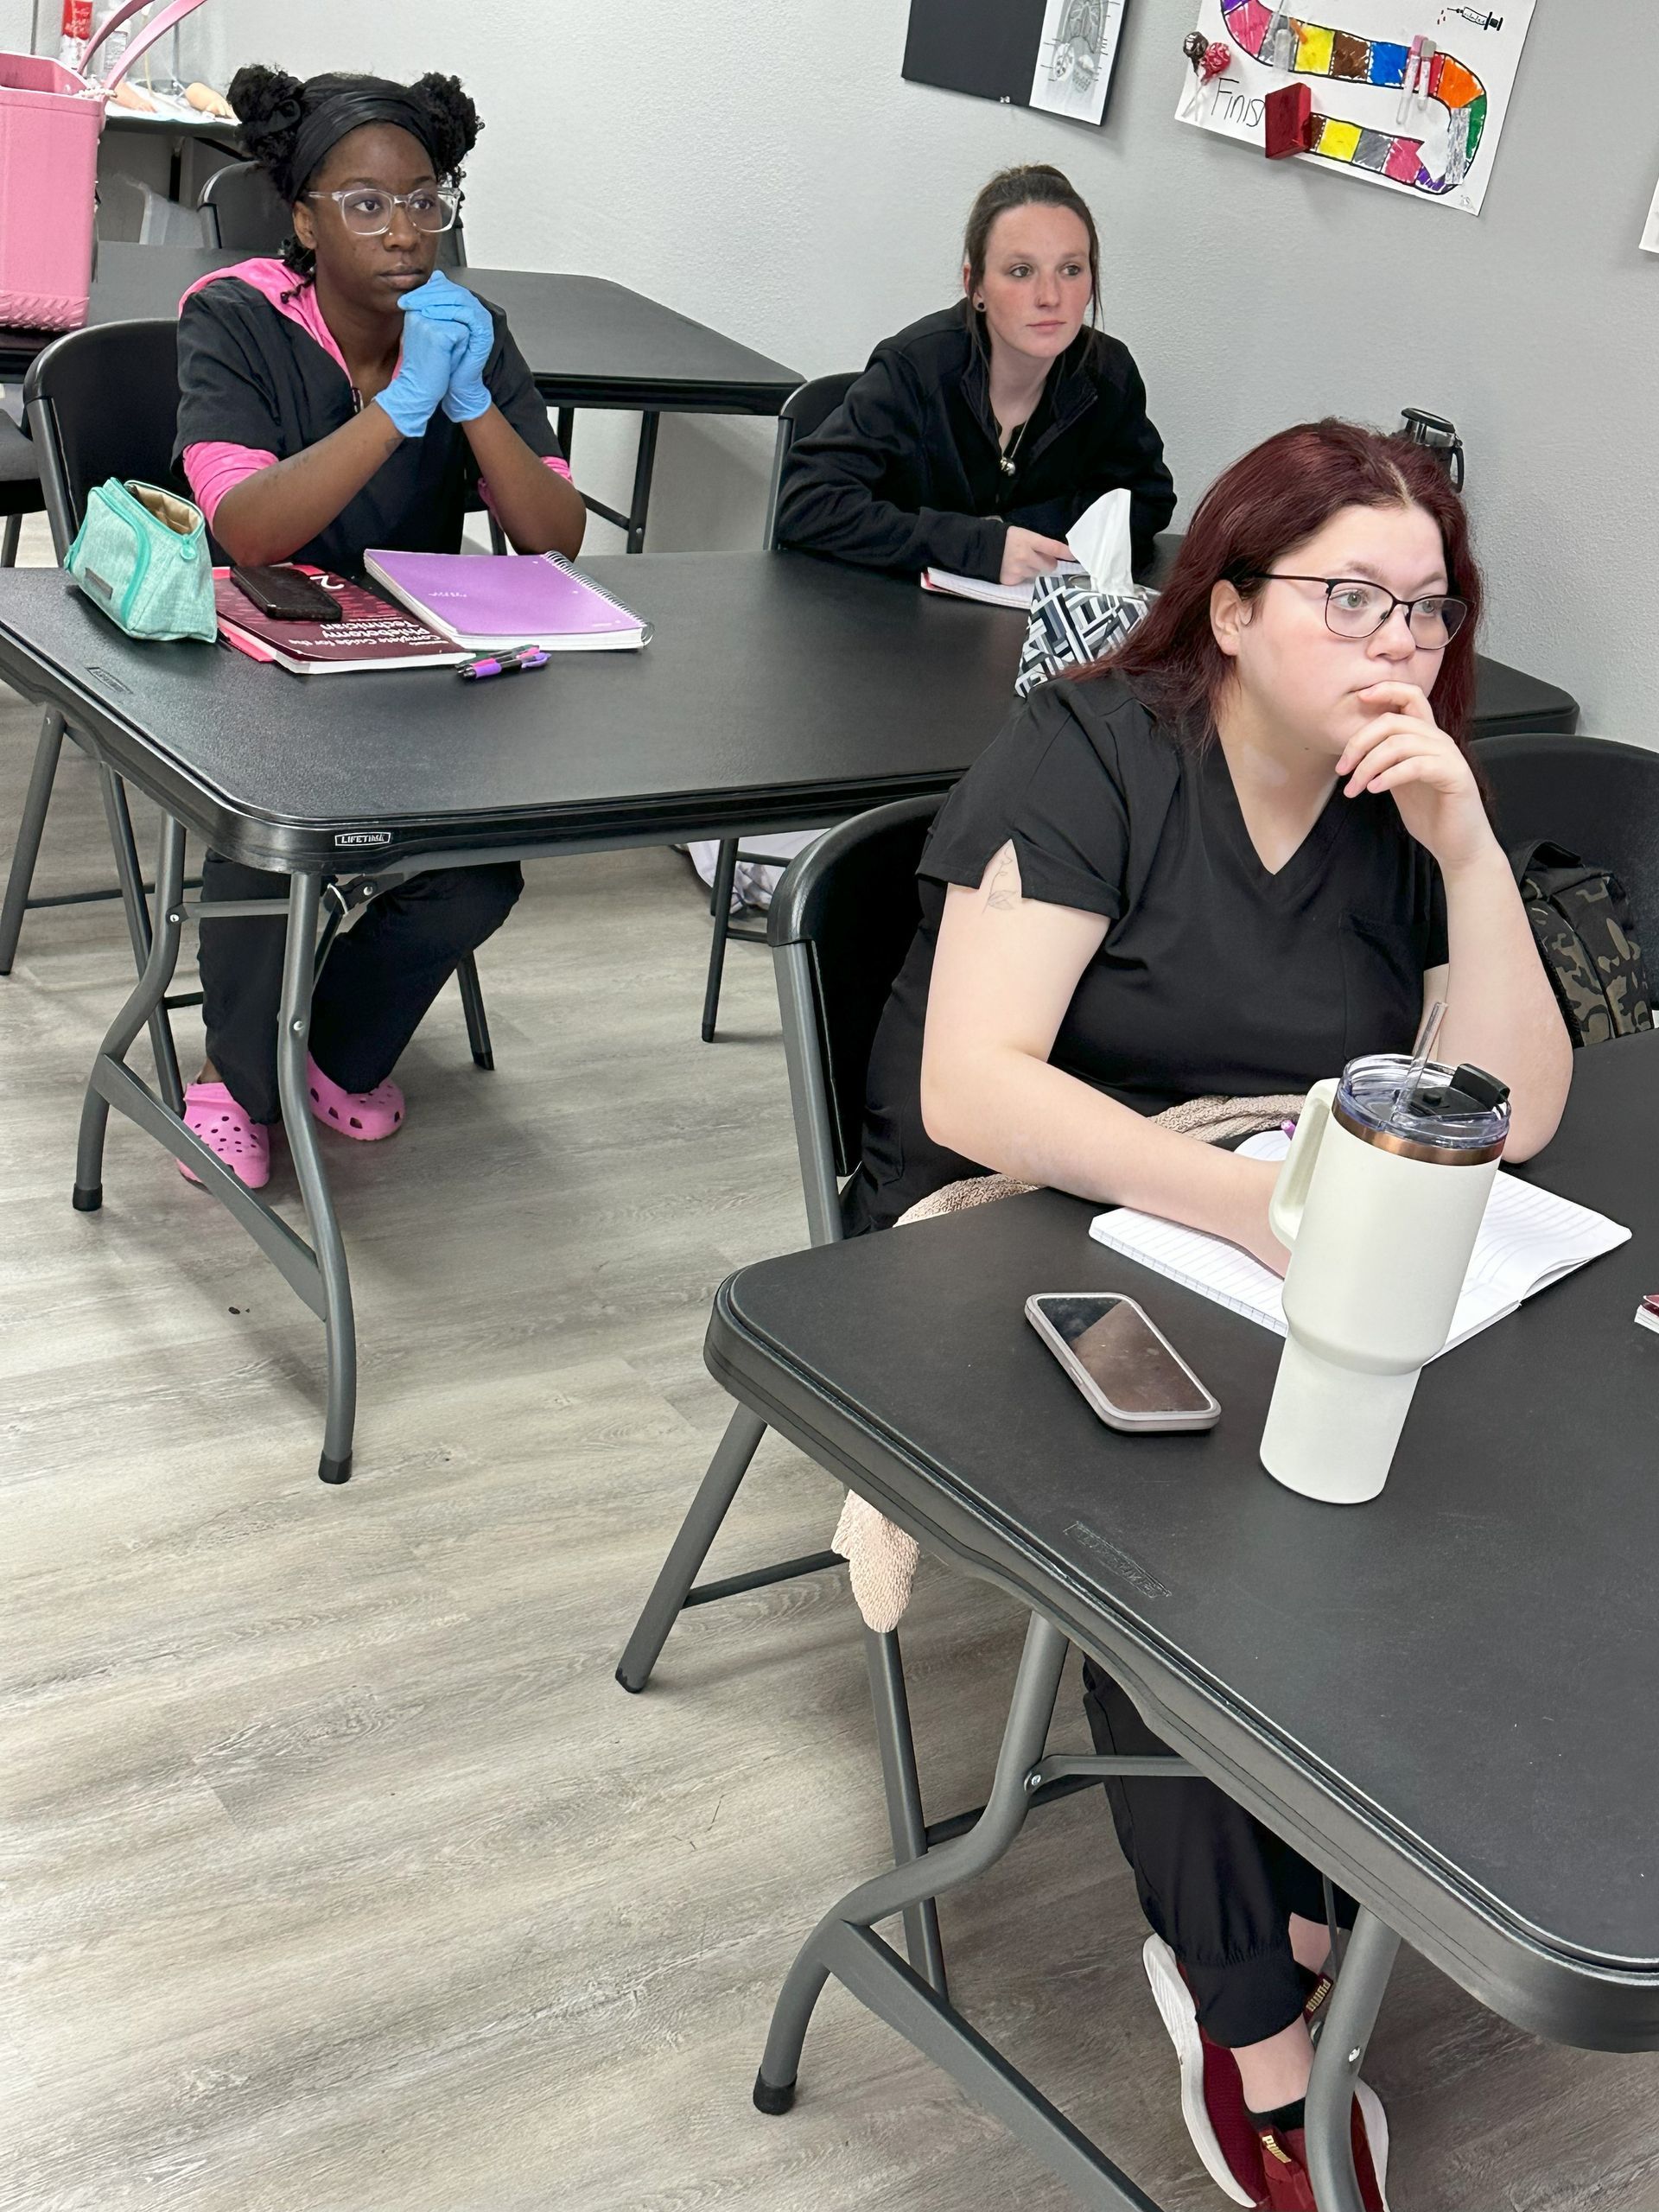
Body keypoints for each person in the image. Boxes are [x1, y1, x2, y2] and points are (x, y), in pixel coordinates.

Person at [843, 420, 1573, 2207]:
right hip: (1005, 1227)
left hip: (1245, 1217)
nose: (1398, 642)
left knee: (1409, 1446)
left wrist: (1471, 851)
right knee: (1177, 1510)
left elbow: (1516, 1109)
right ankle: (1246, 1990)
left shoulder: (1390, 797)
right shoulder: (1089, 751)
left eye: (1428, 605)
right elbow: (976, 1089)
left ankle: (1314, 1835)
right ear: (1231, 606)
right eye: (1350, 597)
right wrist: (1263, 1212)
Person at [171, 64, 586, 1191]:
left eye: (425, 198)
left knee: (481, 873)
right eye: (364, 202)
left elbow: (552, 540)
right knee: (277, 831)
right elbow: (249, 529)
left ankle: (334, 1051)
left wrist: (465, 398)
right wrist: (399, 404)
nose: (404, 229)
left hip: (410, 656)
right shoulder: (236, 318)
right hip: (251, 657)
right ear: (304, 215)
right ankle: (238, 1084)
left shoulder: (473, 327)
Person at [773, 161, 1175, 588]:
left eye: (1071, 269)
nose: (1050, 297)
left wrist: (1019, 528)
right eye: (1021, 271)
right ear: (975, 286)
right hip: (888, 623)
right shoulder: (917, 366)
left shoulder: (1107, 374)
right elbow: (806, 503)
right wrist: (977, 544)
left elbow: (1145, 499)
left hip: (1028, 632)